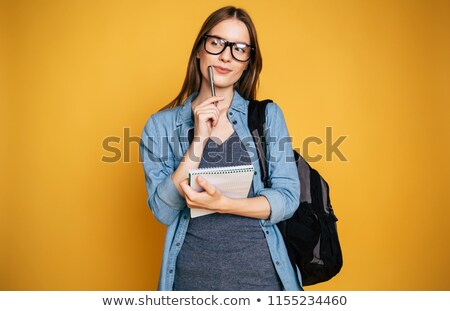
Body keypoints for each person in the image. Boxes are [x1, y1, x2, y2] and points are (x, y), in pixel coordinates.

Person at [140, 6, 301, 291]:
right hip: (191, 284)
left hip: (262, 282)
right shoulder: (160, 126)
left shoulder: (267, 117)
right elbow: (163, 212)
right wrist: (198, 142)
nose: (226, 55)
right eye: (217, 43)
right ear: (199, 50)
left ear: (248, 62)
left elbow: (288, 199)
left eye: (240, 48)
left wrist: (224, 205)